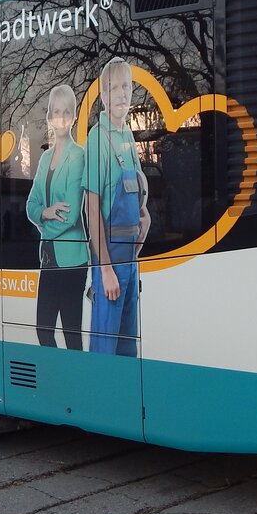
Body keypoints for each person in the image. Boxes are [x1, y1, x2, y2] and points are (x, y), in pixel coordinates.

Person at [84, 58, 149, 356]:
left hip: (130, 262)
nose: (122, 93)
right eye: (114, 88)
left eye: (126, 86)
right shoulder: (98, 138)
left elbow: (135, 190)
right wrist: (105, 269)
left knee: (127, 350)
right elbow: (92, 208)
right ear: (104, 96)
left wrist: (144, 219)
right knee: (105, 351)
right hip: (109, 263)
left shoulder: (127, 135)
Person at [25, 84, 88, 349]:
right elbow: (30, 204)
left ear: (73, 116)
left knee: (72, 333)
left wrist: (42, 220)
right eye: (56, 112)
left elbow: (71, 214)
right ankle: (58, 379)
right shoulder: (45, 158)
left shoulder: (78, 156)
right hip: (49, 257)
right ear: (49, 116)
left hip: (73, 259)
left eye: (67, 112)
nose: (61, 117)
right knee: (43, 331)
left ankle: (76, 383)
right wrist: (45, 212)